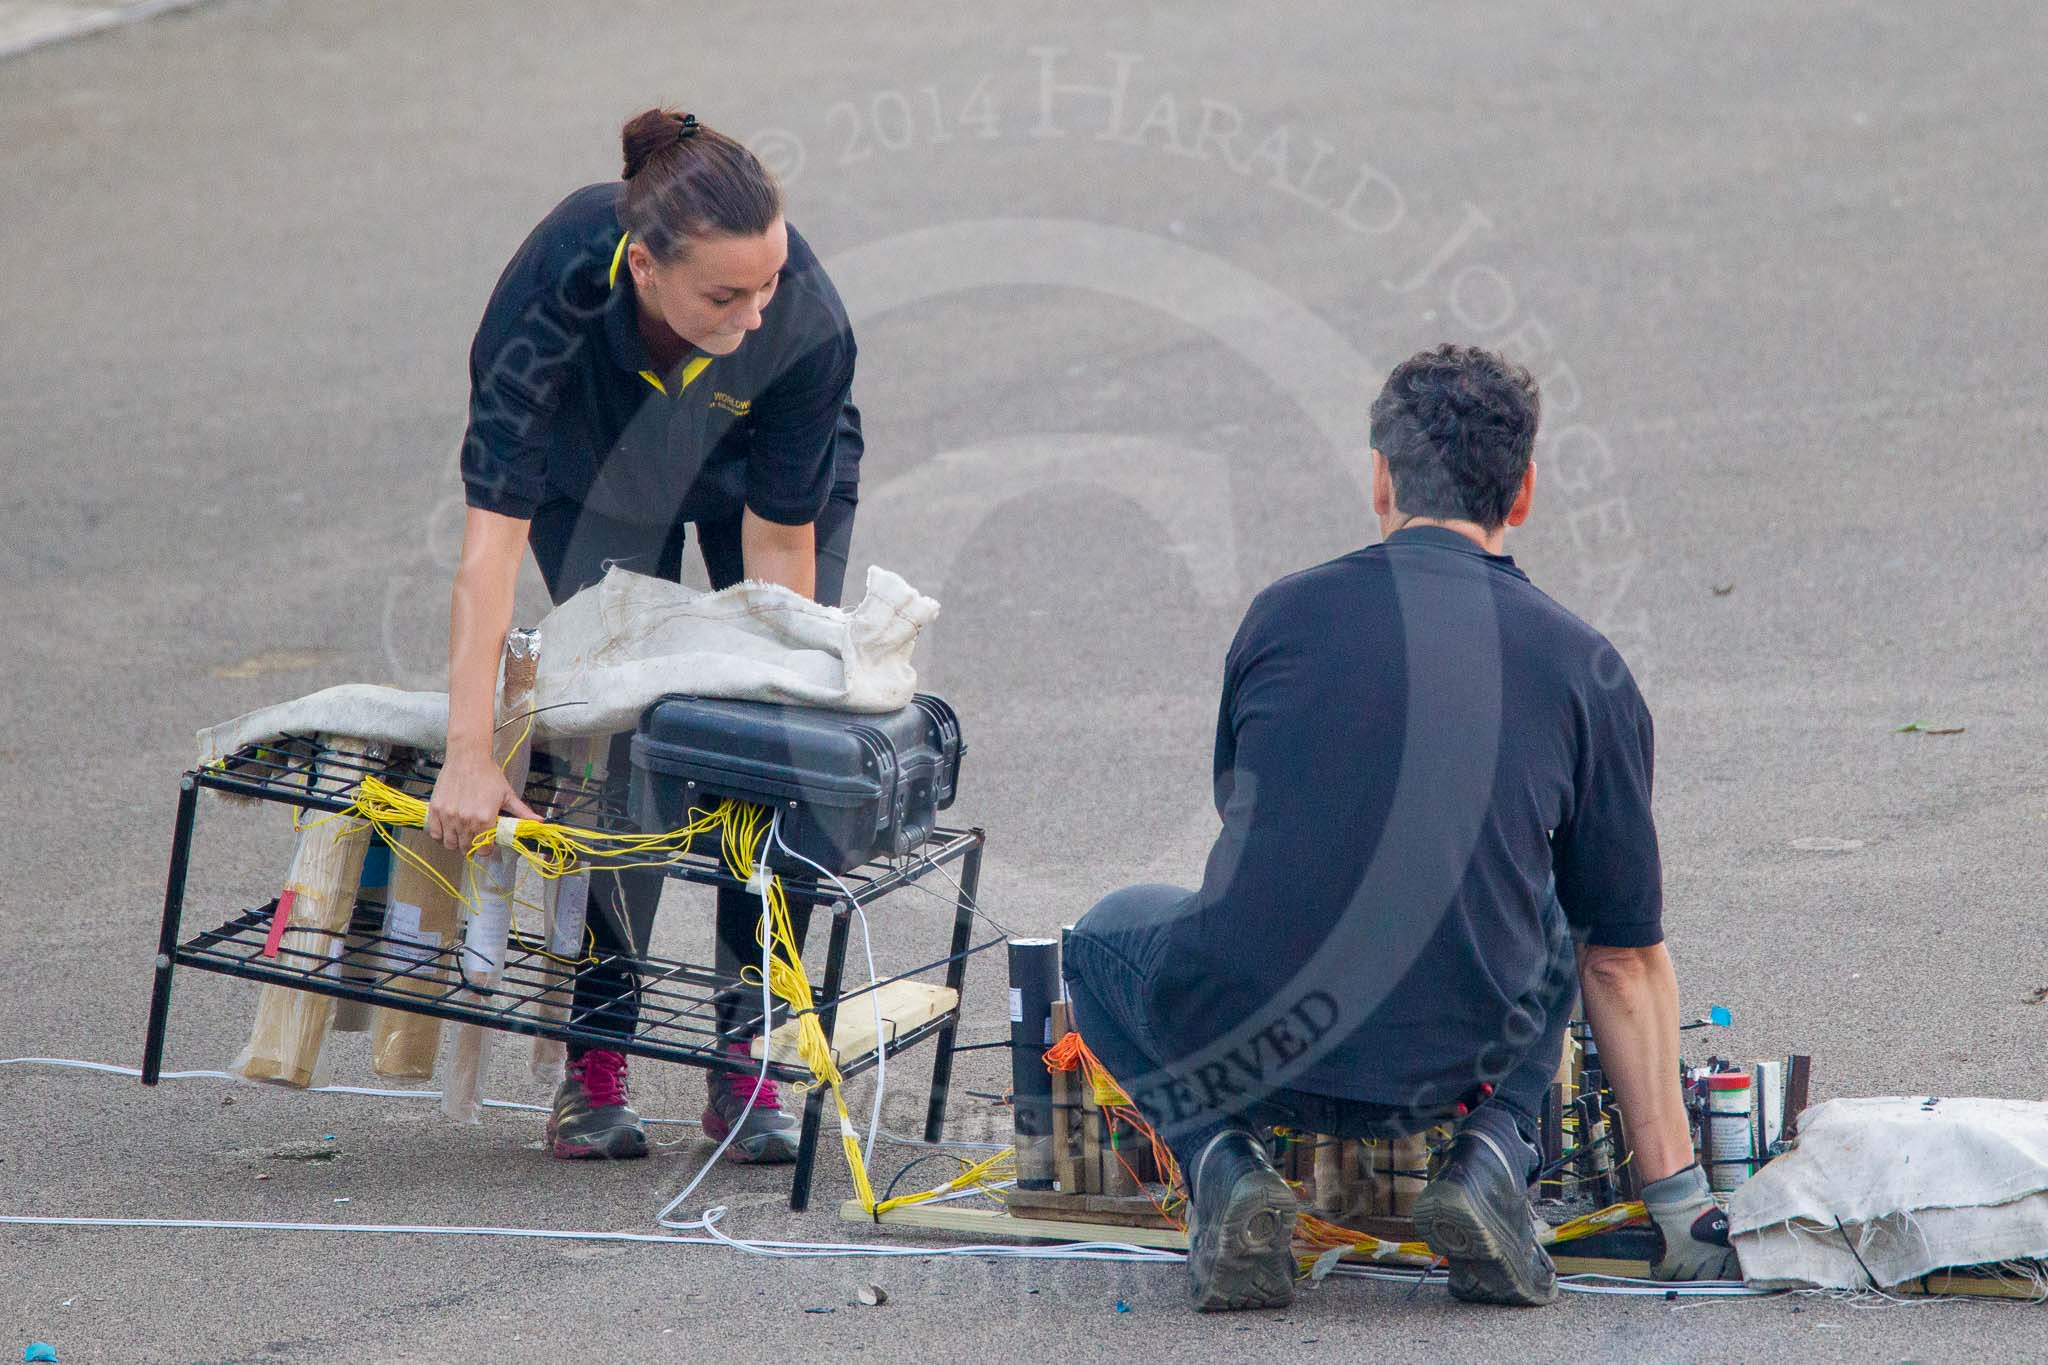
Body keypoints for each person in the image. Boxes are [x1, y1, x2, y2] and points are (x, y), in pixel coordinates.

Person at [1062, 344, 1739, 1311]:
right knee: (1558, 914)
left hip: (1253, 1042)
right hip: (1448, 1066)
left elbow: (1262, 831)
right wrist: (1678, 1206)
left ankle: (1222, 1160)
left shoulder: (1280, 617)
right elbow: (1622, 961)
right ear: (1525, 492)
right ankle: (1493, 1153)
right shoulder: (1585, 669)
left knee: (1097, 941)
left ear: (1380, 476)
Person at [427, 107, 863, 1164]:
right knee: (621, 739)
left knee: (772, 745)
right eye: (725, 294)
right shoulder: (549, 302)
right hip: (601, 479)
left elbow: (776, 562)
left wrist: (759, 712)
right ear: (641, 266)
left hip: (761, 492)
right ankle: (597, 1057)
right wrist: (470, 753)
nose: (755, 314)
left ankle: (746, 1053)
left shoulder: (799, 324)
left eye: (766, 285)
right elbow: (488, 555)